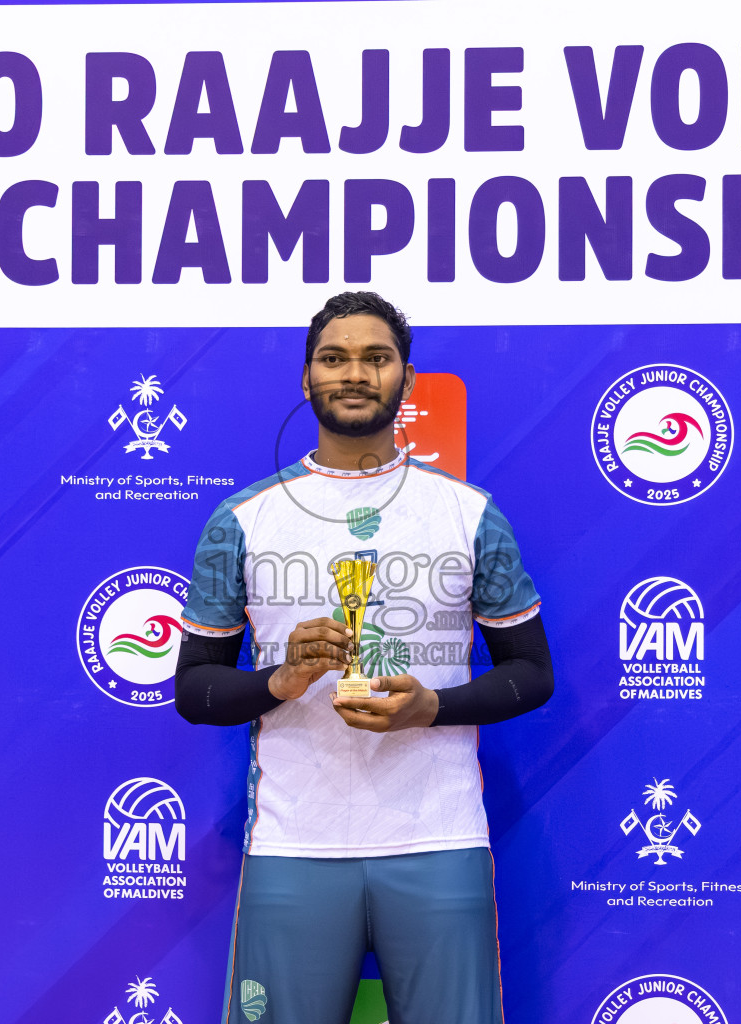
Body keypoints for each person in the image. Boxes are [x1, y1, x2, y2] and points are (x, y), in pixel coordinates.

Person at [175, 291, 554, 1024]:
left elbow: (532, 672)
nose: (355, 374)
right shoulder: (243, 520)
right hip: (293, 844)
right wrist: (279, 681)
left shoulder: (469, 514)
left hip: (439, 837)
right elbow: (195, 691)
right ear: (307, 378)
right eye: (334, 358)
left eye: (375, 358)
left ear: (406, 379)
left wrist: (433, 707)